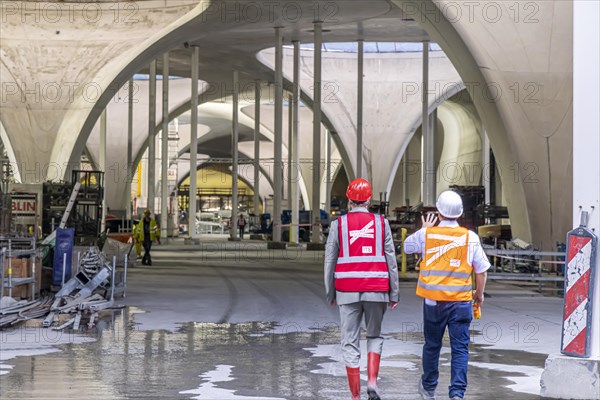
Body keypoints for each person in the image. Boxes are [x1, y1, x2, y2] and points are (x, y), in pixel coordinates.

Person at [404, 191, 490, 400]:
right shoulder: (470, 237)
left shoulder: (427, 235)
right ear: (459, 213)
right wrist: (479, 294)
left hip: (433, 302)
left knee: (432, 346)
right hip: (460, 303)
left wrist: (424, 229)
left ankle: (428, 388)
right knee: (460, 349)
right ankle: (457, 394)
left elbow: (407, 247)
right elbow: (481, 271)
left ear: (439, 213)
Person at [324, 178, 399, 400]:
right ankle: (373, 382)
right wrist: (394, 292)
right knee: (374, 335)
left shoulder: (339, 224)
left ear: (349, 200)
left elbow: (330, 259)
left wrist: (330, 291)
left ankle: (355, 396)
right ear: (369, 200)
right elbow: (391, 259)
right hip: (377, 288)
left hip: (347, 290)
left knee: (349, 340)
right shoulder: (381, 223)